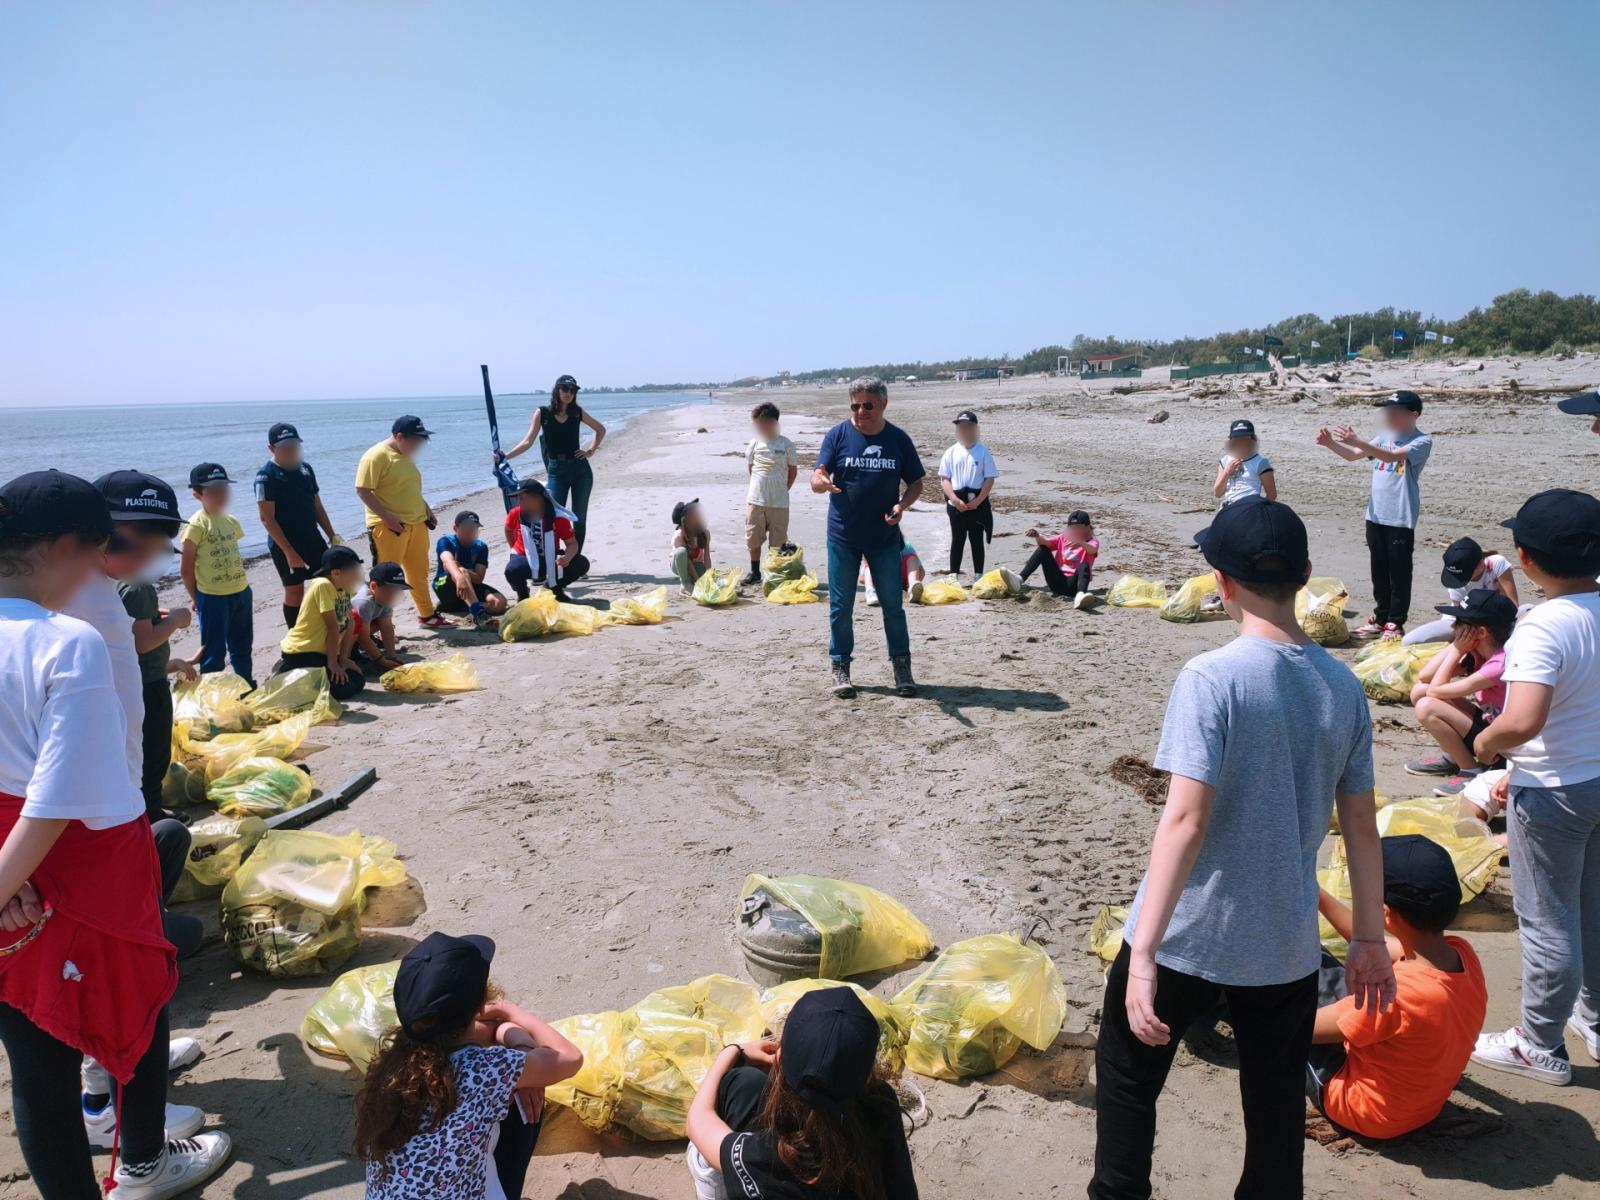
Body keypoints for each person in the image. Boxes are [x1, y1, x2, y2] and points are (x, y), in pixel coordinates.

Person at [1091, 497, 1394, 1200]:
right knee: (1275, 1115)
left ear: (1220, 582)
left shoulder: (1212, 677)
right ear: (1307, 576)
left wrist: (1142, 953)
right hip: (1284, 944)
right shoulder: (1344, 687)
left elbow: (1185, 821)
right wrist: (1369, 940)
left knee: (1130, 1090)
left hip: (1187, 935)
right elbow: (1360, 827)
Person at [0, 470, 231, 1200]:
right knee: (139, 989)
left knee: (35, 1062)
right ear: (71, 545)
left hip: (20, 862)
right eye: (105, 546)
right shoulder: (64, 639)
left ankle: (104, 1129)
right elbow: (65, 794)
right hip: (76, 855)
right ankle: (140, 1163)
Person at [1469, 488, 1600, 1087]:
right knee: (1591, 907)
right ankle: (1594, 1017)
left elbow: (1523, 720)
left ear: (1524, 559)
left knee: (1549, 918)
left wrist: (1485, 748)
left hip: (1554, 789)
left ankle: (1538, 1043)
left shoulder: (1543, 624)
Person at [354, 932, 583, 1200]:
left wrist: (504, 1035)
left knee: (519, 1078)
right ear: (480, 1005)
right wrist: (508, 1015)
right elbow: (568, 1057)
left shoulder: (394, 1061)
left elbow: (474, 1035)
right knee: (525, 1092)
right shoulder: (484, 1069)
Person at [1307, 836, 1487, 1141]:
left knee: (1297, 978)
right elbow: (1369, 942)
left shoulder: (1398, 995)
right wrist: (1318, 896)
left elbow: (1301, 1029)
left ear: (1387, 914)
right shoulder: (1460, 954)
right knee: (1329, 968)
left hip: (1364, 1110)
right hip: (1417, 1108)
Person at [684, 986, 918, 1200]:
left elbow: (698, 1120)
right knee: (749, 1086)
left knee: (740, 1085)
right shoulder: (882, 1104)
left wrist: (731, 1052)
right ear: (868, 1076)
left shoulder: (766, 1159)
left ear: (778, 1058)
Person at [812, 378, 926, 700]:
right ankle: (840, 667)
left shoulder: (898, 439)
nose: (861, 411)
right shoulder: (837, 436)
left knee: (893, 605)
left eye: (868, 405)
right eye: (855, 405)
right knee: (840, 607)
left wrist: (902, 505)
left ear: (883, 404)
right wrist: (821, 481)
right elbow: (816, 476)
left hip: (884, 538)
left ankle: (901, 667)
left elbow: (916, 482)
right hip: (843, 536)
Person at [1316, 390, 1434, 639]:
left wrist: (1357, 440)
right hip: (1375, 516)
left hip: (1400, 518)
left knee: (1399, 572)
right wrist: (1331, 444)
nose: (1389, 416)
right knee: (1378, 570)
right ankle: (1380, 618)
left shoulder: (1421, 442)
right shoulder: (1383, 436)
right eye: (1387, 412)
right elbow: (1352, 456)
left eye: (1395, 412)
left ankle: (1395, 622)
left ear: (1414, 415)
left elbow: (1391, 456)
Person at [1403, 591, 1517, 796]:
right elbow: (1426, 676)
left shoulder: (1499, 664)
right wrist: (1459, 647)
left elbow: (1436, 690)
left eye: (1459, 622)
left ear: (1481, 633)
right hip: (1490, 726)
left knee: (1427, 705)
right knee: (1420, 692)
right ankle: (1454, 757)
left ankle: (1471, 770)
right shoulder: (1481, 653)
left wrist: (1456, 649)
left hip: (1501, 748)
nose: (1453, 627)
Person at [120, 558, 196, 820]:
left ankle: (141, 810)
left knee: (135, 752)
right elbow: (144, 642)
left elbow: (132, 635)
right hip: (149, 686)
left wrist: (172, 663)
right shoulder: (138, 588)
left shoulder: (109, 585)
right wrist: (175, 619)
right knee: (154, 755)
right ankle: (151, 815)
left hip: (128, 681)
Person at [498, 375, 605, 551]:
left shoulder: (577, 412)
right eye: (565, 389)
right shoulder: (543, 413)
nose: (569, 393)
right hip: (557, 471)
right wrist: (505, 457)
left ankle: (574, 558)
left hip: (581, 471)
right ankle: (553, 555)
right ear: (557, 390)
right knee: (553, 515)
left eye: (572, 390)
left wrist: (590, 451)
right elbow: (528, 441)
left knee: (579, 518)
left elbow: (600, 429)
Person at [356, 415, 444, 628]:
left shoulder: (404, 456)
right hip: (388, 527)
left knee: (418, 572)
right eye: (416, 440)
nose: (419, 445)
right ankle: (377, 624)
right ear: (399, 436)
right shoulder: (375, 456)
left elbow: (407, 489)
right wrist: (388, 519)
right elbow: (362, 489)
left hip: (416, 524)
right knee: (385, 579)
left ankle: (427, 615)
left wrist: (426, 509)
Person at [255, 421, 339, 633]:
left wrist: (332, 536)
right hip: (285, 544)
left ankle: (332, 631)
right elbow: (267, 519)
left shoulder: (305, 469)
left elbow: (317, 506)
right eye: (285, 448)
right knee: (294, 591)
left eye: (294, 446)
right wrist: (290, 552)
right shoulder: (266, 477)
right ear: (272, 448)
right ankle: (297, 637)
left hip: (312, 538)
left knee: (328, 584)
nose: (291, 451)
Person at [180, 463, 255, 686]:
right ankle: (213, 692)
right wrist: (196, 598)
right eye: (214, 492)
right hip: (212, 597)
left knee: (242, 645)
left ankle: (245, 686)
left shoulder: (230, 521)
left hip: (241, 591)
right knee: (213, 650)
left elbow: (233, 555)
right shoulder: (196, 525)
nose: (221, 495)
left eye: (224, 489)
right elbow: (186, 569)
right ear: (197, 495)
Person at [274, 545, 367, 700]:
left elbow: (349, 623)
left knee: (358, 681)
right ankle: (287, 672)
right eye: (354, 570)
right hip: (301, 652)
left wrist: (343, 658)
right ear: (336, 573)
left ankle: (315, 674)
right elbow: (332, 627)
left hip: (324, 652)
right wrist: (333, 663)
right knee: (344, 690)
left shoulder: (346, 588)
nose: (358, 573)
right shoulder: (322, 585)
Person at [1402, 536, 1519, 645]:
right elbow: (1461, 617)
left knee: (1525, 612)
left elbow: (1513, 605)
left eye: (1465, 575)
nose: (1461, 580)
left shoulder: (1496, 563)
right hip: (1464, 620)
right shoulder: (1455, 579)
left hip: (1498, 619)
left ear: (1480, 563)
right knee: (1409, 641)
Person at [503, 479, 587, 601]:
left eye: (522, 498)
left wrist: (567, 557)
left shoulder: (557, 517)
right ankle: (522, 593)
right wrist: (513, 548)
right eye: (518, 499)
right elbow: (508, 529)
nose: (519, 503)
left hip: (550, 559)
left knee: (581, 563)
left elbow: (572, 543)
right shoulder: (516, 513)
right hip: (525, 557)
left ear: (538, 498)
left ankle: (553, 588)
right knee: (512, 570)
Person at [743, 402, 799, 586]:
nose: (759, 426)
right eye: (757, 423)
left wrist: (783, 488)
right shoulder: (754, 443)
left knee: (778, 540)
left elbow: (792, 471)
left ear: (773, 422)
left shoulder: (786, 444)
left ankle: (774, 573)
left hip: (779, 501)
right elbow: (751, 468)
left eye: (762, 422)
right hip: (756, 499)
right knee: (753, 537)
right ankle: (754, 571)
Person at [937, 410, 998, 577]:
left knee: (976, 539)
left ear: (975, 429)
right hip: (956, 504)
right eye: (961, 428)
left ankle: (978, 575)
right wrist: (955, 500)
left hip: (977, 503)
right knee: (957, 539)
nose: (965, 431)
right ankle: (953, 575)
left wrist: (977, 501)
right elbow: (944, 479)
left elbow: (989, 479)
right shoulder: (951, 452)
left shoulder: (982, 451)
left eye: (968, 427)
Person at [432, 511, 508, 626]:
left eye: (474, 529)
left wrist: (463, 570)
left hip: (470, 585)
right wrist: (459, 576)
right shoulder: (446, 541)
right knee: (460, 571)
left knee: (499, 603)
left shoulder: (481, 547)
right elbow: (447, 561)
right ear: (455, 528)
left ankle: (457, 606)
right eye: (466, 528)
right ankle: (479, 614)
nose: (470, 532)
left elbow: (478, 579)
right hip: (444, 584)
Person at [1020, 510, 1098, 609]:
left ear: (1087, 527)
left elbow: (1093, 550)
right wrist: (1037, 536)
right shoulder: (1063, 538)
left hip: (1074, 586)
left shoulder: (1092, 541)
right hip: (1057, 582)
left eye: (1079, 527)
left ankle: (1080, 596)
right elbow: (1045, 544)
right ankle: (1019, 579)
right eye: (1072, 527)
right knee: (1043, 549)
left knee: (1084, 565)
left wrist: (1081, 543)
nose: (1075, 530)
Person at [351, 562, 408, 672]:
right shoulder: (364, 602)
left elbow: (386, 627)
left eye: (397, 591)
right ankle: (351, 650)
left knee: (381, 623)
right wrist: (381, 660)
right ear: (373, 586)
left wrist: (392, 656)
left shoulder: (384, 597)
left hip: (363, 624)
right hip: (342, 632)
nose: (393, 595)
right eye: (391, 591)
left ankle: (362, 646)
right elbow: (362, 637)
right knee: (360, 632)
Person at [1213, 418, 1276, 506]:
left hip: (1250, 508)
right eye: (1237, 439)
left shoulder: (1261, 462)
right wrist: (1227, 472)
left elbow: (1272, 495)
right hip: (1228, 508)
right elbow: (1217, 493)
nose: (1241, 442)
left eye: (1245, 439)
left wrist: (1259, 510)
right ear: (1231, 440)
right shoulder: (1225, 461)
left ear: (1253, 439)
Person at [863, 533, 926, 607]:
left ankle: (912, 587)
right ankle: (870, 591)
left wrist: (910, 584)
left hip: (903, 581)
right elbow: (862, 578)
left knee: (912, 558)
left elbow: (921, 571)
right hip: (882, 582)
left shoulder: (905, 546)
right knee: (870, 564)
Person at [671, 498, 712, 594]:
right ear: (685, 521)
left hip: (696, 564)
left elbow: (707, 557)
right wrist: (698, 581)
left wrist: (708, 578)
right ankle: (685, 583)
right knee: (681, 552)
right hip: (678, 564)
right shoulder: (679, 536)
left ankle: (692, 581)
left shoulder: (704, 533)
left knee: (704, 574)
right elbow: (688, 563)